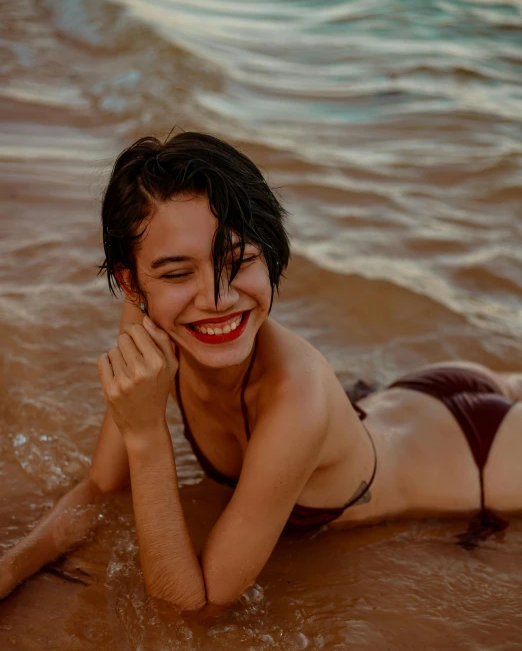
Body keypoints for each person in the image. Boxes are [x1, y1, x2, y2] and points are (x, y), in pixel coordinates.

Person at [1, 132, 521, 611]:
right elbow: (102, 484)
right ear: (134, 285)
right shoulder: (156, 320)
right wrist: (10, 570)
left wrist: (146, 436)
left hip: (483, 458)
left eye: (239, 260)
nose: (217, 299)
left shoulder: (295, 396)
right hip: (396, 404)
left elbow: (198, 604)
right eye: (179, 272)